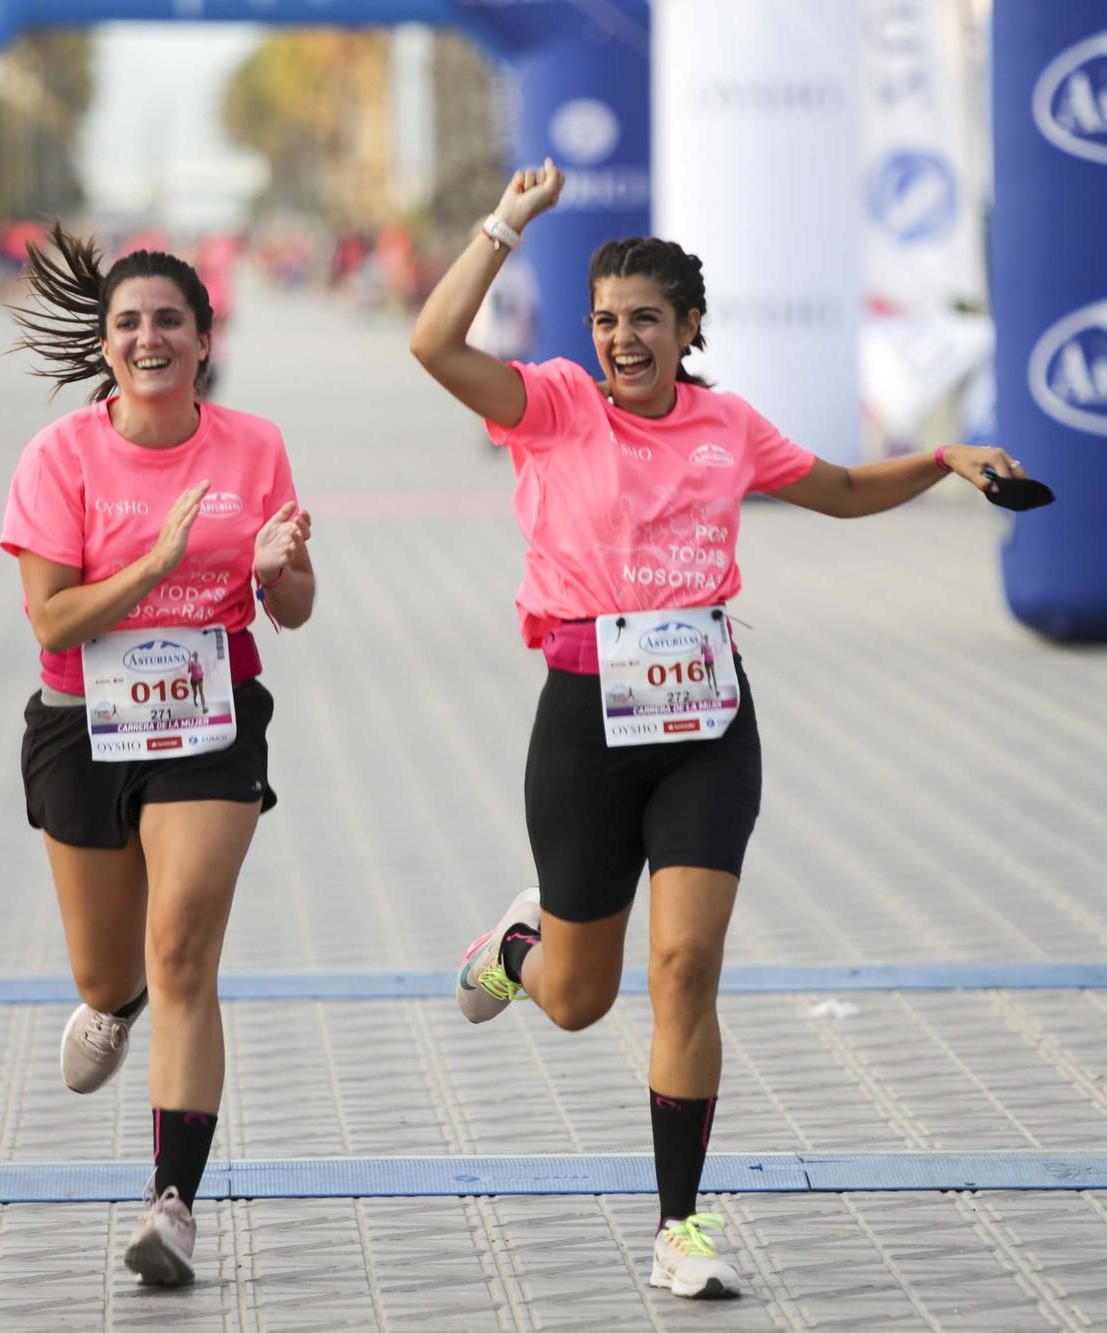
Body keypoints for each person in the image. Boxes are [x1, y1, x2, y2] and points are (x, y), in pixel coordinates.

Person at [408, 161, 1021, 1301]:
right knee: (580, 1000)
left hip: (704, 718)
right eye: (604, 320)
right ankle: (514, 950)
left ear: (689, 328)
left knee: (685, 967)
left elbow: (835, 488)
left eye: (644, 320)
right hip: (584, 720)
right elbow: (433, 347)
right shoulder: (550, 406)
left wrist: (941, 460)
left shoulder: (726, 424)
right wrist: (503, 224)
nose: (621, 339)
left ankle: (679, 1225)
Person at [0, 225, 316, 1286]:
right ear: (104, 343)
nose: (148, 337)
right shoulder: (58, 457)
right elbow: (53, 621)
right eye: (129, 323)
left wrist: (280, 569)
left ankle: (171, 1205)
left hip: (209, 718)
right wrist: (162, 558)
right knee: (111, 966)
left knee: (182, 948)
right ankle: (113, 1001)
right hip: (81, 725)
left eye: (168, 321)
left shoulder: (252, 446)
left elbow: (296, 610)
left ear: (203, 337)